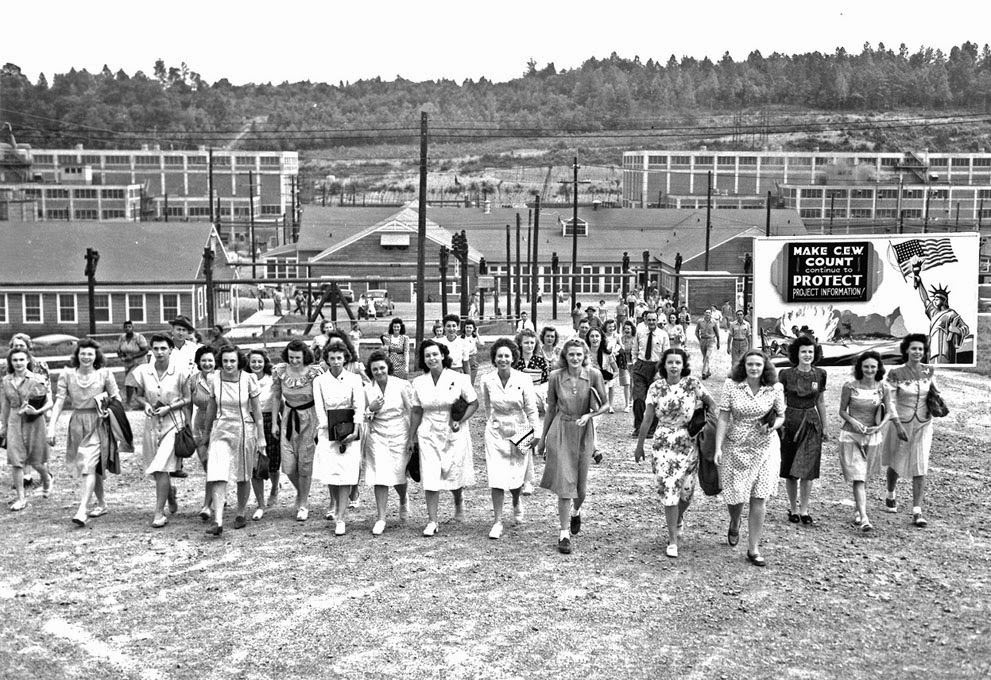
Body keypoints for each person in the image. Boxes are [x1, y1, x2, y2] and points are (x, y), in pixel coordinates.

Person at [634, 348, 716, 558]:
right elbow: (647, 418)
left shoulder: (693, 384)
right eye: (670, 362)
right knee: (669, 490)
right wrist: (640, 445)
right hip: (663, 443)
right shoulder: (656, 388)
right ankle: (672, 540)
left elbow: (712, 403)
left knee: (686, 492)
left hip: (688, 441)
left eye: (677, 363)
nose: (673, 366)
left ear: (683, 365)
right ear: (664, 365)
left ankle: (678, 517)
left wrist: (708, 425)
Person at [537, 338, 609, 554]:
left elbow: (606, 404)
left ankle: (576, 511)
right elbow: (550, 408)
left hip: (584, 430)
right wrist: (542, 440)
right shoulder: (555, 377)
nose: (575, 358)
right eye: (571, 355)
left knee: (581, 488)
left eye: (579, 354)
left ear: (584, 355)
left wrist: (590, 414)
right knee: (564, 484)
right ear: (565, 357)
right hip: (561, 429)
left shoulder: (593, 374)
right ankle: (564, 533)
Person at [713, 350, 785, 567]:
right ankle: (735, 521)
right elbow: (724, 417)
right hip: (737, 445)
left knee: (760, 496)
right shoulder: (731, 386)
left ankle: (753, 548)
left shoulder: (775, 388)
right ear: (743, 366)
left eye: (758, 365)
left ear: (765, 367)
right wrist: (718, 448)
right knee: (735, 495)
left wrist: (773, 425)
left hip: (766, 446)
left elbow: (781, 415)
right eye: (750, 364)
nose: (754, 368)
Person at [407, 339, 479, 536]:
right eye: (427, 355)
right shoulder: (419, 382)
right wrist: (411, 437)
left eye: (435, 354)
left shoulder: (459, 378)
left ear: (442, 355)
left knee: (452, 470)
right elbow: (416, 411)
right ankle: (432, 520)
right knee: (430, 474)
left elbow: (474, 403)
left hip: (453, 430)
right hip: (428, 431)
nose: (431, 358)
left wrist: (460, 420)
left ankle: (458, 500)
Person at [47, 339, 121, 527]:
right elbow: (59, 401)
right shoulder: (67, 375)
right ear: (77, 355)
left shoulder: (104, 374)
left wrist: (110, 413)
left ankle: (82, 510)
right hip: (77, 423)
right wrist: (51, 427)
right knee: (90, 466)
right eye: (83, 353)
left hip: (99, 423)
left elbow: (116, 399)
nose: (86, 357)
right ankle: (102, 504)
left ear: (96, 356)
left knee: (88, 464)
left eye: (90, 353)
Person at [480, 339, 541, 539]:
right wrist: (493, 423)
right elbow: (488, 407)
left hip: (520, 427)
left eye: (507, 356)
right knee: (496, 476)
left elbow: (531, 409)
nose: (503, 359)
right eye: (499, 356)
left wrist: (536, 433)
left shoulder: (523, 379)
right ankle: (497, 520)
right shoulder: (487, 379)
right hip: (496, 430)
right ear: (494, 359)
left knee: (516, 475)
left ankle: (516, 501)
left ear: (513, 358)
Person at [202, 346, 265, 536]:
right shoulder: (214, 379)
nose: (229, 365)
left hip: (243, 428)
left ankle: (240, 512)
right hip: (221, 429)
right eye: (226, 361)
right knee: (217, 472)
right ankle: (218, 520)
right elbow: (211, 409)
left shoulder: (248, 379)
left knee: (243, 473)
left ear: (239, 362)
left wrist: (261, 437)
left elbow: (258, 412)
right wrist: (206, 433)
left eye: (232, 361)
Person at [131, 334, 191, 528]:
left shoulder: (180, 371)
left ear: (171, 350)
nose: (159, 352)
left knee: (161, 466)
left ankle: (158, 512)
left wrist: (170, 408)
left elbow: (188, 398)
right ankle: (170, 493)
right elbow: (137, 396)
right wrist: (146, 404)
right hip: (152, 423)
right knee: (158, 471)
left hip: (174, 423)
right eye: (156, 349)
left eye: (163, 348)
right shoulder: (143, 371)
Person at [882, 334, 937, 527]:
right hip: (901, 423)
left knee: (920, 464)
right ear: (906, 350)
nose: (917, 352)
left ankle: (917, 511)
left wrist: (935, 405)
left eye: (921, 349)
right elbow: (889, 401)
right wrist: (897, 424)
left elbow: (933, 392)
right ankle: (890, 493)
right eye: (914, 348)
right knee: (897, 461)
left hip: (924, 423)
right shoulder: (895, 373)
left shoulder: (929, 370)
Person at [312, 341, 366, 536]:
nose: (335, 362)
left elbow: (359, 406)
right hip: (327, 430)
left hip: (349, 430)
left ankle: (341, 518)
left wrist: (354, 431)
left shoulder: (354, 379)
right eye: (332, 358)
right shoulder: (319, 381)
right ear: (326, 359)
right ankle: (335, 507)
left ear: (345, 359)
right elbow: (319, 408)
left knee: (345, 475)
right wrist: (329, 428)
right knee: (331, 474)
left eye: (339, 358)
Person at [838, 351, 896, 533]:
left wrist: (879, 427)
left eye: (873, 366)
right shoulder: (849, 386)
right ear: (860, 368)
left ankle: (858, 508)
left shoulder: (883, 388)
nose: (869, 370)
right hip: (850, 435)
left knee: (864, 475)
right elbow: (842, 410)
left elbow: (888, 412)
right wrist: (853, 421)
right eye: (866, 367)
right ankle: (864, 517)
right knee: (858, 476)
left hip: (872, 436)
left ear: (878, 368)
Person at [271, 339, 323, 522]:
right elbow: (277, 396)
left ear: (304, 356)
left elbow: (321, 398)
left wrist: (320, 423)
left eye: (297, 358)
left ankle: (303, 504)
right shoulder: (280, 371)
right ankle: (302, 493)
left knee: (305, 463)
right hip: (288, 417)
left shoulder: (314, 373)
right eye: (291, 357)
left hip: (310, 417)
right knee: (289, 464)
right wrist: (275, 423)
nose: (294, 361)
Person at [779, 336, 829, 525]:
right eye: (804, 352)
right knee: (790, 467)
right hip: (790, 421)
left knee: (808, 468)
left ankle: (805, 509)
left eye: (810, 351)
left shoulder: (820, 374)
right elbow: (779, 400)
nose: (807, 355)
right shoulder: (786, 374)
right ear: (796, 354)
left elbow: (821, 401)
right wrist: (779, 422)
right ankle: (793, 508)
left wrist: (825, 426)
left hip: (811, 422)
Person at [363, 351, 413, 535]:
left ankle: (403, 499)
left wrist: (412, 437)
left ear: (388, 368)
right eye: (375, 369)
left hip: (400, 431)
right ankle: (381, 517)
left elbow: (411, 410)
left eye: (382, 368)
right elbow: (363, 417)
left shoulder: (401, 385)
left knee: (399, 473)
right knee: (380, 475)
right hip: (377, 435)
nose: (379, 372)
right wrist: (370, 408)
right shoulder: (367, 389)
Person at [1, 348, 52, 510]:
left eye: (21, 360)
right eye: (15, 360)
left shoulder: (37, 379)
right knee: (16, 460)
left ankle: (47, 478)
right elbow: (5, 405)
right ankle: (21, 498)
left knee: (36, 460)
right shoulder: (6, 380)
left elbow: (49, 402)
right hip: (14, 421)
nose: (18, 363)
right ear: (10, 362)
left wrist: (37, 411)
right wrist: (3, 425)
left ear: (28, 360)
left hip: (34, 421)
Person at [513, 328, 550, 495]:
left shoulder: (540, 361)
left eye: (532, 343)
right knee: (519, 445)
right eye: (526, 342)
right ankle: (519, 479)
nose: (529, 345)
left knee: (528, 442)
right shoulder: (515, 361)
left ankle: (528, 480)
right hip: (517, 405)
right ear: (520, 344)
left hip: (535, 402)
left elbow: (545, 383)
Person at [912, 264, 969, 364]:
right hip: (932, 351)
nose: (934, 301)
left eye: (936, 299)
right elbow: (925, 299)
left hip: (946, 351)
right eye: (934, 299)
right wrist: (919, 282)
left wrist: (956, 330)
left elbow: (966, 329)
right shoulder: (933, 313)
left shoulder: (951, 314)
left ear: (944, 300)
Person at [248, 349, 280, 521]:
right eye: (253, 361)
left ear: (264, 362)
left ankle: (275, 488)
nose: (256, 365)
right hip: (250, 422)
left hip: (269, 419)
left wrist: (275, 423)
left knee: (273, 462)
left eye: (259, 361)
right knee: (255, 464)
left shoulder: (271, 379)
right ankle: (260, 504)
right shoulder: (244, 378)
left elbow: (277, 401)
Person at [189, 346, 218, 522]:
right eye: (204, 360)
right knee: (206, 465)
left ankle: (207, 505)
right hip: (199, 424)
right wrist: (186, 425)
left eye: (210, 360)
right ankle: (217, 496)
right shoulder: (193, 380)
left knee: (214, 465)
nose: (207, 364)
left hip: (219, 423)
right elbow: (187, 404)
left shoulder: (222, 378)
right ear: (199, 362)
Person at [630, 311, 670, 438]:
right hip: (641, 366)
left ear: (657, 320)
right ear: (645, 320)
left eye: (654, 320)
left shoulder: (663, 335)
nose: (652, 322)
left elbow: (666, 354)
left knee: (654, 400)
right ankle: (639, 427)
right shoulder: (640, 332)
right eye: (649, 320)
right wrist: (635, 363)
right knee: (638, 398)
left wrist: (660, 371)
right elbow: (634, 350)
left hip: (656, 368)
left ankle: (652, 428)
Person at [586, 328, 618, 414]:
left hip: (602, 387)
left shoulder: (607, 354)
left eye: (597, 336)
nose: (594, 339)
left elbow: (616, 370)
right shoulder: (584, 353)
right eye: (592, 336)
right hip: (586, 387)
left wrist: (608, 378)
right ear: (588, 338)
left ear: (601, 338)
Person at [116, 321, 149, 407]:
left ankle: (128, 403)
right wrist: (122, 357)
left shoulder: (138, 337)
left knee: (129, 382)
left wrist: (133, 356)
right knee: (136, 384)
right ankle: (142, 403)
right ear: (123, 328)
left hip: (139, 363)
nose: (127, 328)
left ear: (133, 328)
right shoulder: (122, 338)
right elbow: (119, 350)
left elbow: (145, 350)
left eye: (129, 327)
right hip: (128, 364)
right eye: (126, 327)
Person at [695, 308, 721, 380]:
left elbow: (717, 333)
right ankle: (708, 371)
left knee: (707, 356)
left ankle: (704, 372)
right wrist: (699, 339)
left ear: (711, 314)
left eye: (709, 313)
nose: (707, 314)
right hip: (703, 340)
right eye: (706, 313)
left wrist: (718, 342)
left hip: (711, 340)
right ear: (704, 313)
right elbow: (696, 331)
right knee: (704, 357)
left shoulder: (714, 322)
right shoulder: (700, 321)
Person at [619, 320, 636, 412]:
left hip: (633, 363)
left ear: (631, 329)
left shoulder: (635, 338)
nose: (626, 330)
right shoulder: (621, 339)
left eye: (628, 328)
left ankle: (631, 400)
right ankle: (626, 404)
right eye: (625, 328)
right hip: (624, 363)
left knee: (632, 383)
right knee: (626, 383)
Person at [463, 319, 484, 384]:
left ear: (473, 329)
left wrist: (477, 334)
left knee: (471, 380)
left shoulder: (474, 338)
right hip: (464, 359)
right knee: (465, 378)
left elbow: (481, 344)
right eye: (467, 327)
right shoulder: (461, 338)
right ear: (464, 328)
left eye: (470, 328)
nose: (468, 329)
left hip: (473, 358)